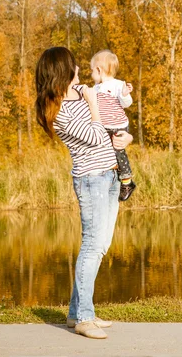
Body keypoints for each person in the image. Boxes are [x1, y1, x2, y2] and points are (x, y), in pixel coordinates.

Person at [35, 46, 133, 339]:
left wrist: (125, 136)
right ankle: (84, 319)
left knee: (100, 245)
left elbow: (111, 122)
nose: (79, 70)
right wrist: (92, 104)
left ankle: (76, 313)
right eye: (73, 66)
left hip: (111, 174)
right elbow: (92, 135)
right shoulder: (59, 109)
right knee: (92, 245)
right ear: (61, 71)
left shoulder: (83, 93)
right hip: (91, 179)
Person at [90, 49, 136, 201]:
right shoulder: (95, 88)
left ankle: (127, 181)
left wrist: (124, 94)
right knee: (106, 152)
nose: (91, 75)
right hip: (106, 126)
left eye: (92, 71)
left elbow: (127, 103)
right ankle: (112, 176)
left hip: (119, 126)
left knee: (118, 151)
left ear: (99, 70)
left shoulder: (118, 85)